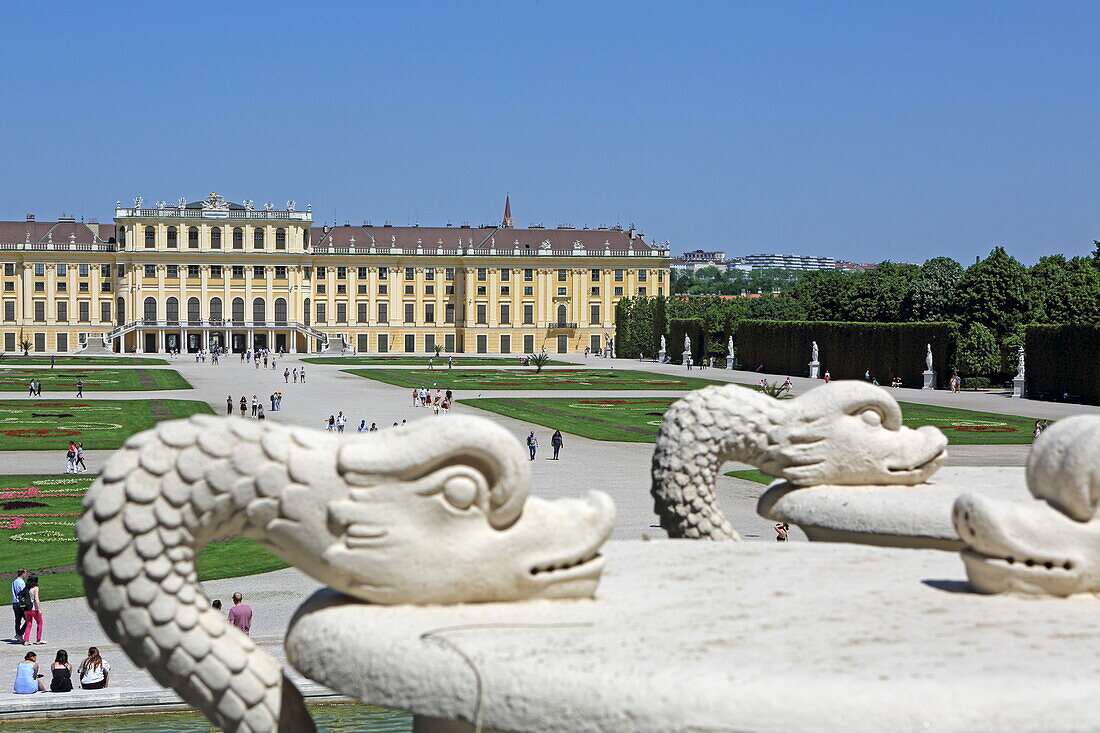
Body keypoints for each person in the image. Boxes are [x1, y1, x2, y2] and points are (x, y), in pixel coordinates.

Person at [21, 575, 42, 646]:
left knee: (29, 624)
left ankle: (26, 640)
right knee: (40, 623)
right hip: (34, 609)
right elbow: (36, 599)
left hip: (27, 609)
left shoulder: (27, 588)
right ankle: (38, 639)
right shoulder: (35, 588)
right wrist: (39, 609)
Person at [11, 569, 25, 641]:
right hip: (20, 603)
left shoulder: (14, 582)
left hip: (14, 603)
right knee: (28, 619)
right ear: (22, 574)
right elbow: (23, 593)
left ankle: (18, 635)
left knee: (17, 621)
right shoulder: (21, 582)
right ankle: (19, 634)